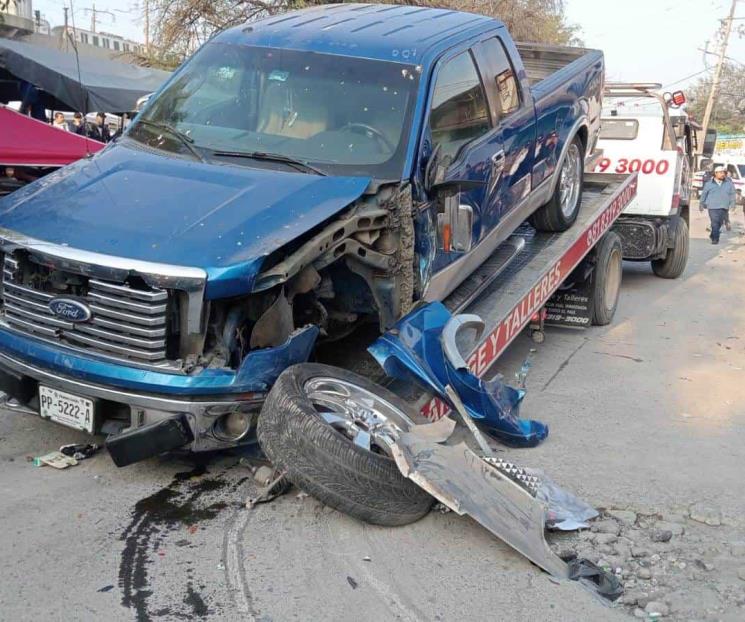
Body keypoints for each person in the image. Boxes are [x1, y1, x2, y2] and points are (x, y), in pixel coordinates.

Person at [700, 165, 736, 244]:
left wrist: (733, 205)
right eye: (720, 172)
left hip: (724, 207)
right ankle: (715, 239)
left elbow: (732, 194)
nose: (722, 174)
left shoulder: (729, 183)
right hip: (712, 207)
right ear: (715, 173)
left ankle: (713, 234)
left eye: (723, 172)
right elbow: (704, 194)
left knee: (720, 223)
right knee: (714, 221)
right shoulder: (709, 184)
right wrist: (701, 204)